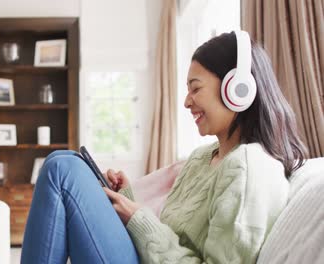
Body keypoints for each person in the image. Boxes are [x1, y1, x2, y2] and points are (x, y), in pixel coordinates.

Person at [20, 31, 307, 264]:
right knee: (65, 159)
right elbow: (169, 234)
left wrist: (138, 218)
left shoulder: (248, 167)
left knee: (63, 168)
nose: (186, 101)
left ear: (238, 90)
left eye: (196, 88)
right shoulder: (202, 157)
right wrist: (128, 199)